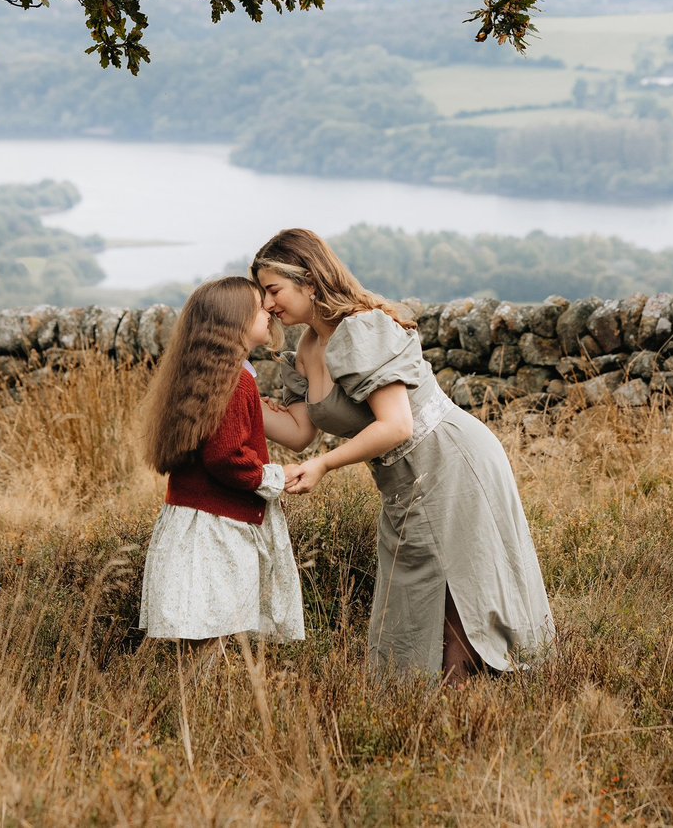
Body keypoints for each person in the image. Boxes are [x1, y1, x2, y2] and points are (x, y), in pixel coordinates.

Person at [253, 228, 553, 680]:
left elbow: (397, 425)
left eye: (273, 289)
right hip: (403, 479)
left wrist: (325, 465)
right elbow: (299, 434)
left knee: (458, 598)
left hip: (451, 460)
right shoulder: (307, 349)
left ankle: (461, 721)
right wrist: (233, 395)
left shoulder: (360, 329)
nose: (269, 304)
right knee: (415, 595)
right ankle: (424, 716)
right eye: (263, 293)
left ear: (309, 280)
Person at [136, 276, 305, 644]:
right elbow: (226, 456)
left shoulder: (208, 374)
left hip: (194, 519)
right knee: (215, 627)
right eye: (259, 308)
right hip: (219, 528)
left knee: (201, 628)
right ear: (235, 322)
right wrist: (273, 476)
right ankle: (194, 698)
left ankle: (189, 697)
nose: (269, 312)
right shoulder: (236, 381)